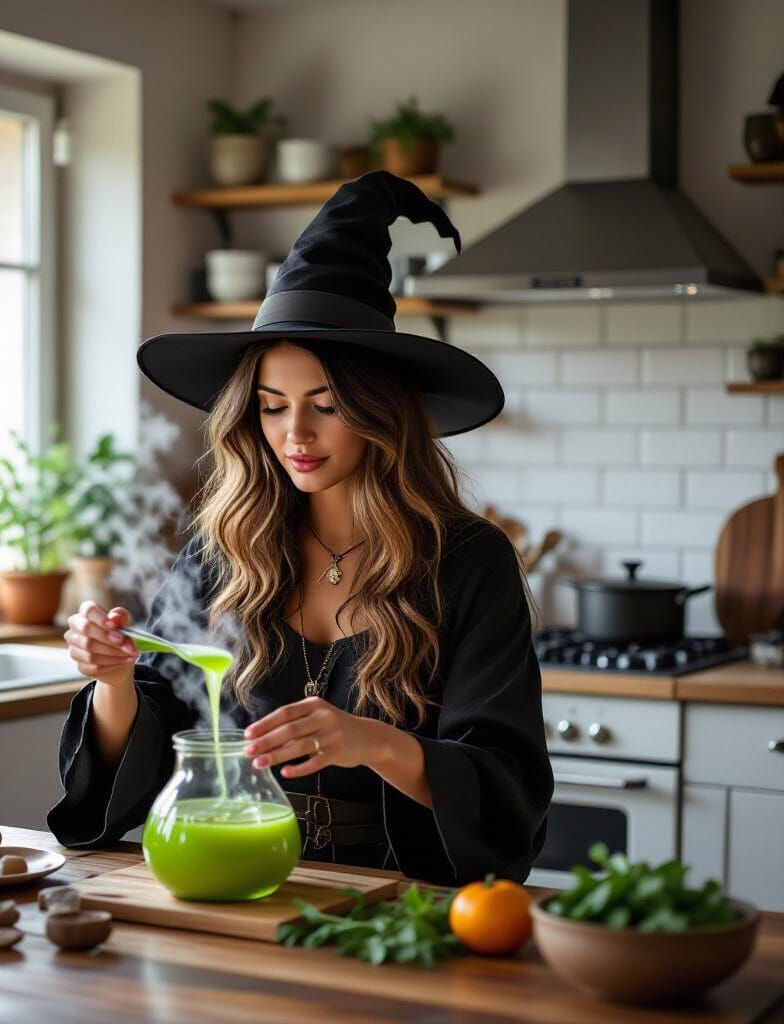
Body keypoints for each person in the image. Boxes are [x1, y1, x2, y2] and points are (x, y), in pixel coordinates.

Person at [49, 172, 553, 885]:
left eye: (326, 403)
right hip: (238, 881)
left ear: (381, 411)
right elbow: (154, 742)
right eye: (272, 406)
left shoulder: (468, 563)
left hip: (401, 902)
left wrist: (375, 743)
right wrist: (113, 682)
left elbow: (505, 785)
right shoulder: (220, 553)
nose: (297, 434)